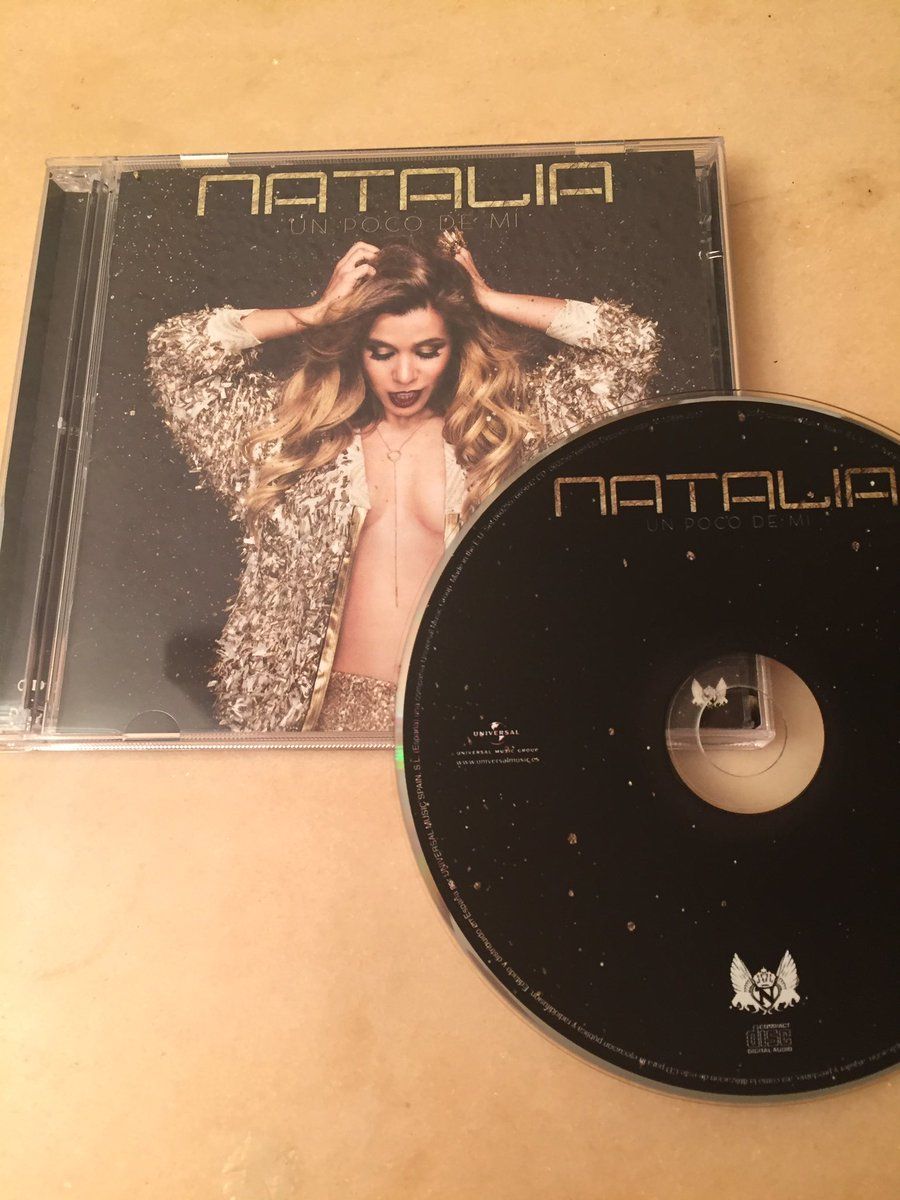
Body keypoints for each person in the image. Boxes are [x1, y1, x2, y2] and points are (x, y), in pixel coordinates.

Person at [146, 233, 658, 734]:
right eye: (382, 352)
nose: (405, 374)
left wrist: (488, 299)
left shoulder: (501, 442)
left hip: (461, 717)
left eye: (428, 350)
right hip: (315, 722)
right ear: (357, 350)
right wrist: (315, 313)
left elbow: (630, 345)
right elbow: (175, 354)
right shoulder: (296, 447)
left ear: (455, 346)